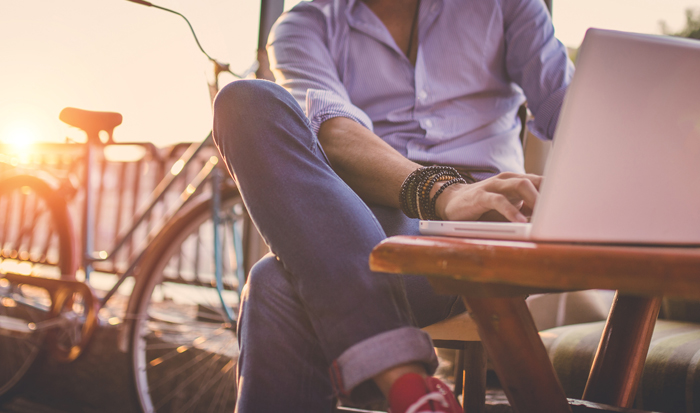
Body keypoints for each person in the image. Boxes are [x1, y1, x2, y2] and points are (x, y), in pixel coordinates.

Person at [212, 0, 573, 411]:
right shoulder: (305, 23)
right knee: (244, 101)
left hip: (484, 226)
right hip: (370, 224)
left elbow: (569, 106)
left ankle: (410, 389)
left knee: (274, 286)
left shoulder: (505, 5)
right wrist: (442, 193)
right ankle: (408, 384)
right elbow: (332, 129)